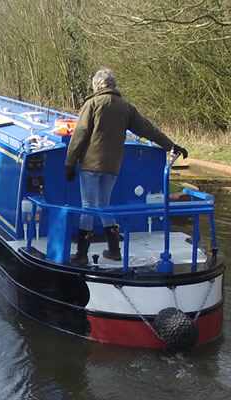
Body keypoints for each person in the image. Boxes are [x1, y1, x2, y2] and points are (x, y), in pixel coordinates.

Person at [65, 68, 187, 266]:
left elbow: (80, 135)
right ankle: (114, 250)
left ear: (97, 85)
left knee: (88, 205)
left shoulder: (92, 104)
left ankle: (81, 254)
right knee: (104, 204)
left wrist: (69, 164)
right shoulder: (126, 108)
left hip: (90, 164)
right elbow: (147, 129)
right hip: (113, 165)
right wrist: (171, 146)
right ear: (114, 85)